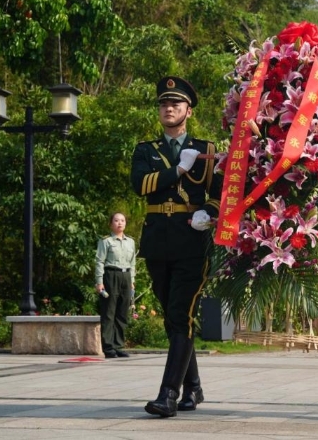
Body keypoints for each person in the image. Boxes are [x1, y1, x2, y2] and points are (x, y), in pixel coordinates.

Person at [131, 76, 222, 418]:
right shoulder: (145, 150)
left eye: (175, 103)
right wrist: (179, 168)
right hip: (157, 241)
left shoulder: (207, 150)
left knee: (181, 313)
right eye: (164, 104)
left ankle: (168, 394)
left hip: (191, 241)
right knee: (173, 318)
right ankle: (193, 386)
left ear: (188, 111)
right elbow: (140, 185)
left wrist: (207, 212)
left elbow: (220, 193)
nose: (168, 108)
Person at [94, 212, 137, 359]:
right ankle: (108, 347)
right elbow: (99, 261)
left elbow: (132, 263)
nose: (120, 223)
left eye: (122, 220)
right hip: (111, 275)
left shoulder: (130, 242)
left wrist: (132, 281)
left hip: (126, 276)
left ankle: (118, 346)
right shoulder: (106, 241)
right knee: (109, 312)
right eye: (116, 220)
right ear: (111, 224)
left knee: (122, 312)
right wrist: (99, 281)